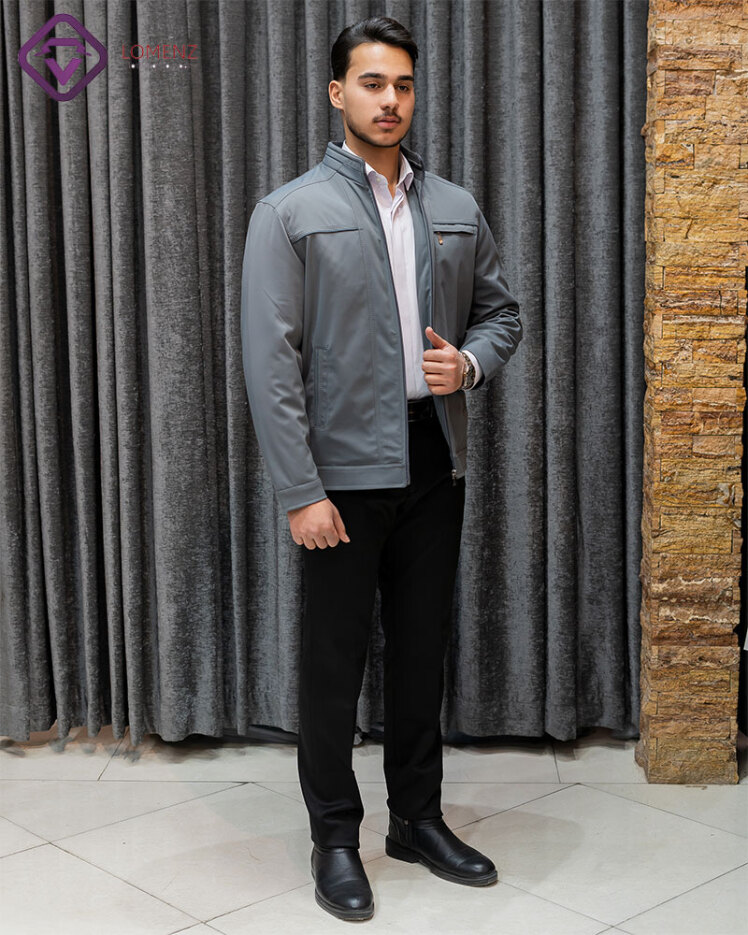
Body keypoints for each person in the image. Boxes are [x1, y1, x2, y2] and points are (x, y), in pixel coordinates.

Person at [241, 15, 522, 923]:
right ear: (338, 93)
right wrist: (302, 491)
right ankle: (334, 835)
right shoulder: (290, 213)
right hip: (341, 472)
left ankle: (416, 820)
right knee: (333, 662)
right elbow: (269, 365)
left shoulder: (455, 206)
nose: (389, 99)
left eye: (402, 84)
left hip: (435, 459)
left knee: (421, 650)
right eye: (371, 83)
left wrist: (467, 364)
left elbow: (502, 315)